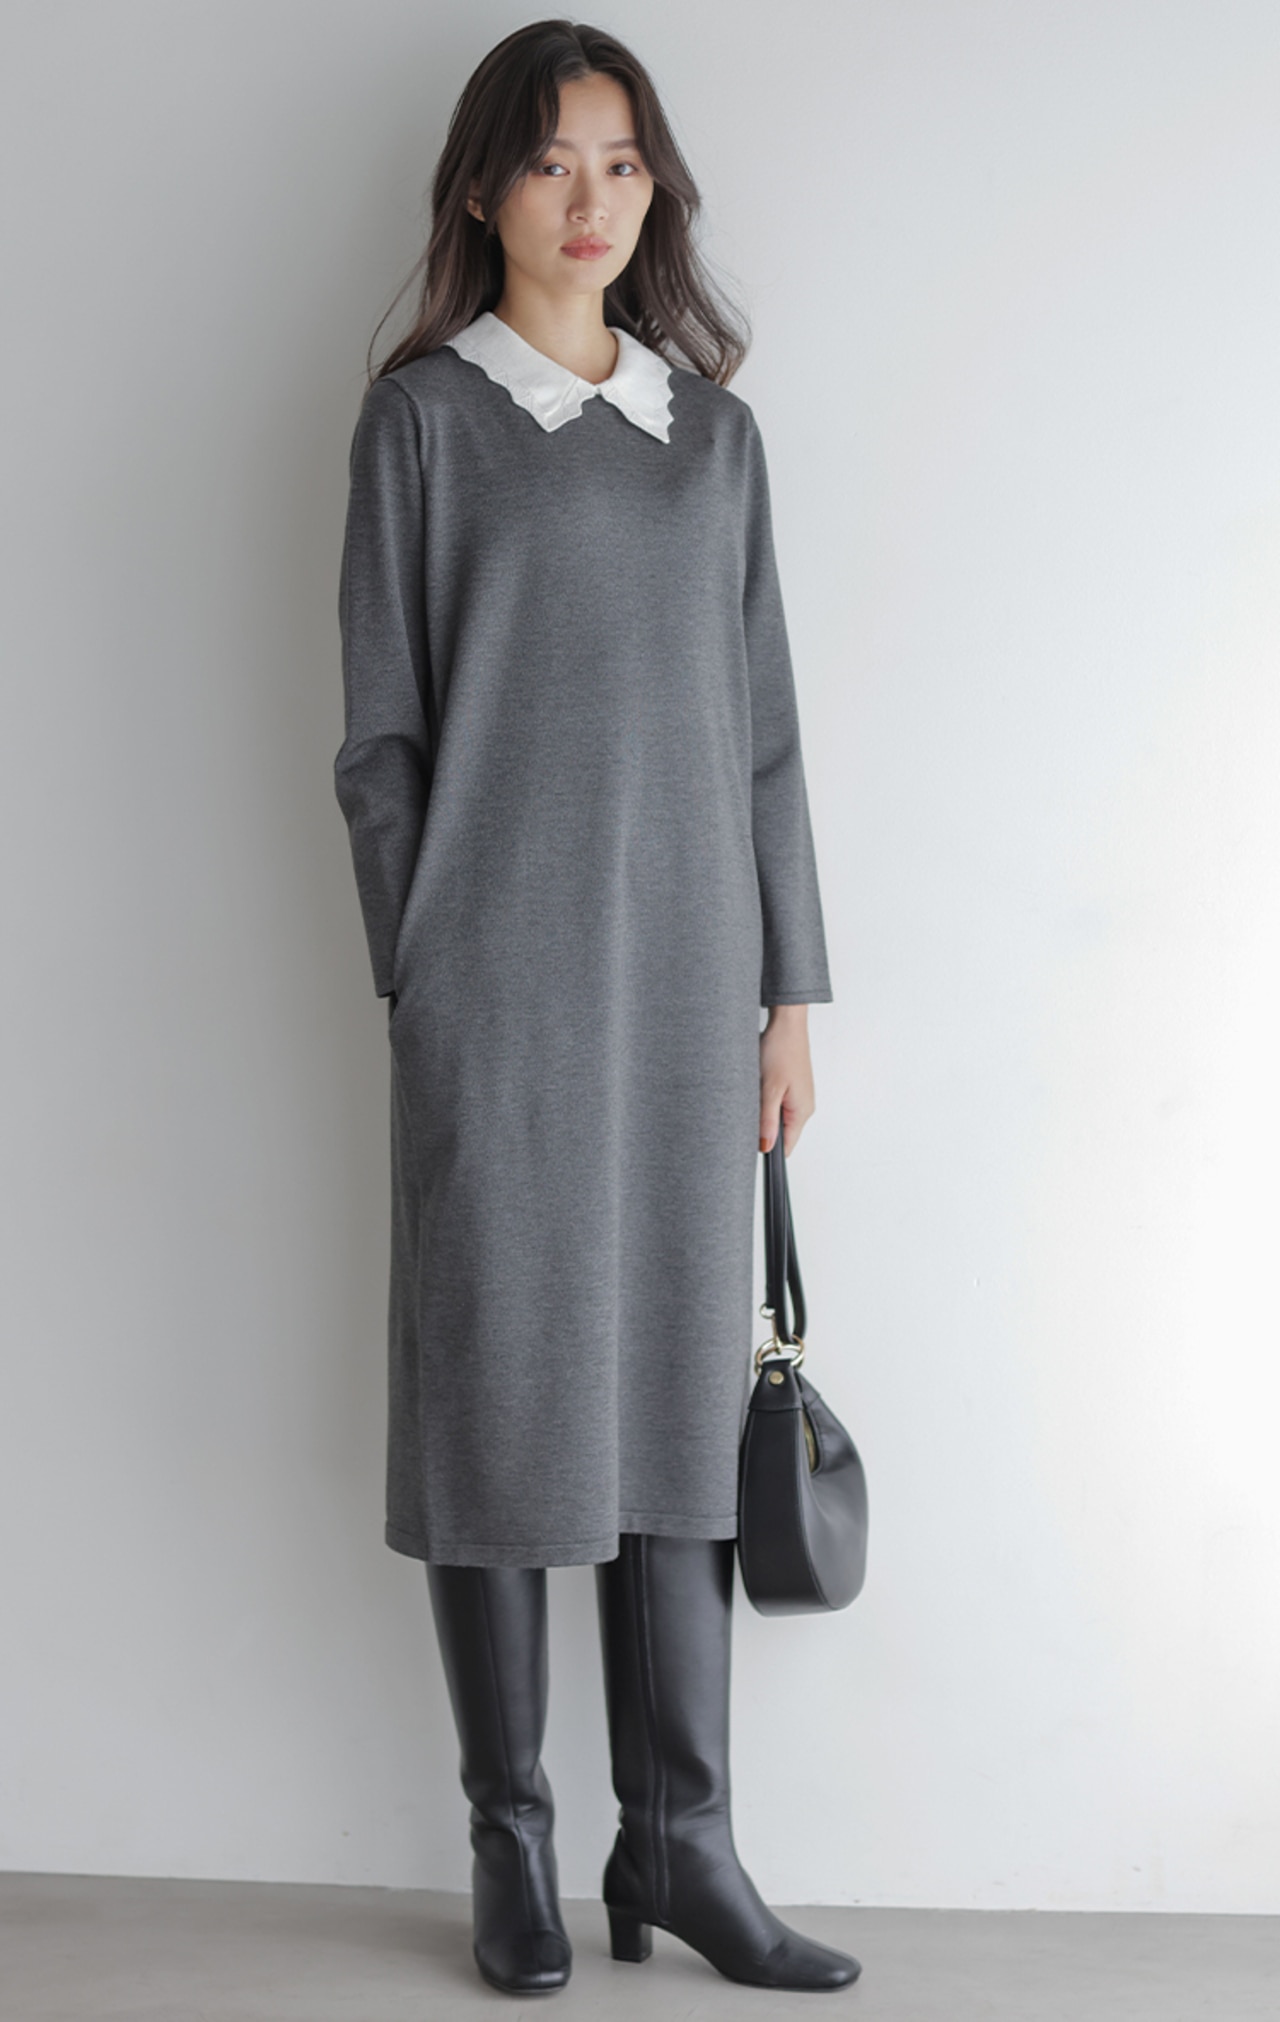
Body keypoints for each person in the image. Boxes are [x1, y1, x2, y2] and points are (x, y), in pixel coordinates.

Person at [334, 18, 858, 2000]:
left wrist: (787, 991)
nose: (591, 198)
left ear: (657, 191)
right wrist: (425, 967)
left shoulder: (713, 442)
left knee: (666, 1399)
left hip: (688, 993)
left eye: (622, 162)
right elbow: (378, 744)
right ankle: (514, 1842)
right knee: (500, 1399)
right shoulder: (421, 426)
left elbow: (769, 739)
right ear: (486, 189)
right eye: (553, 161)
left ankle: (683, 1844)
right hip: (497, 994)